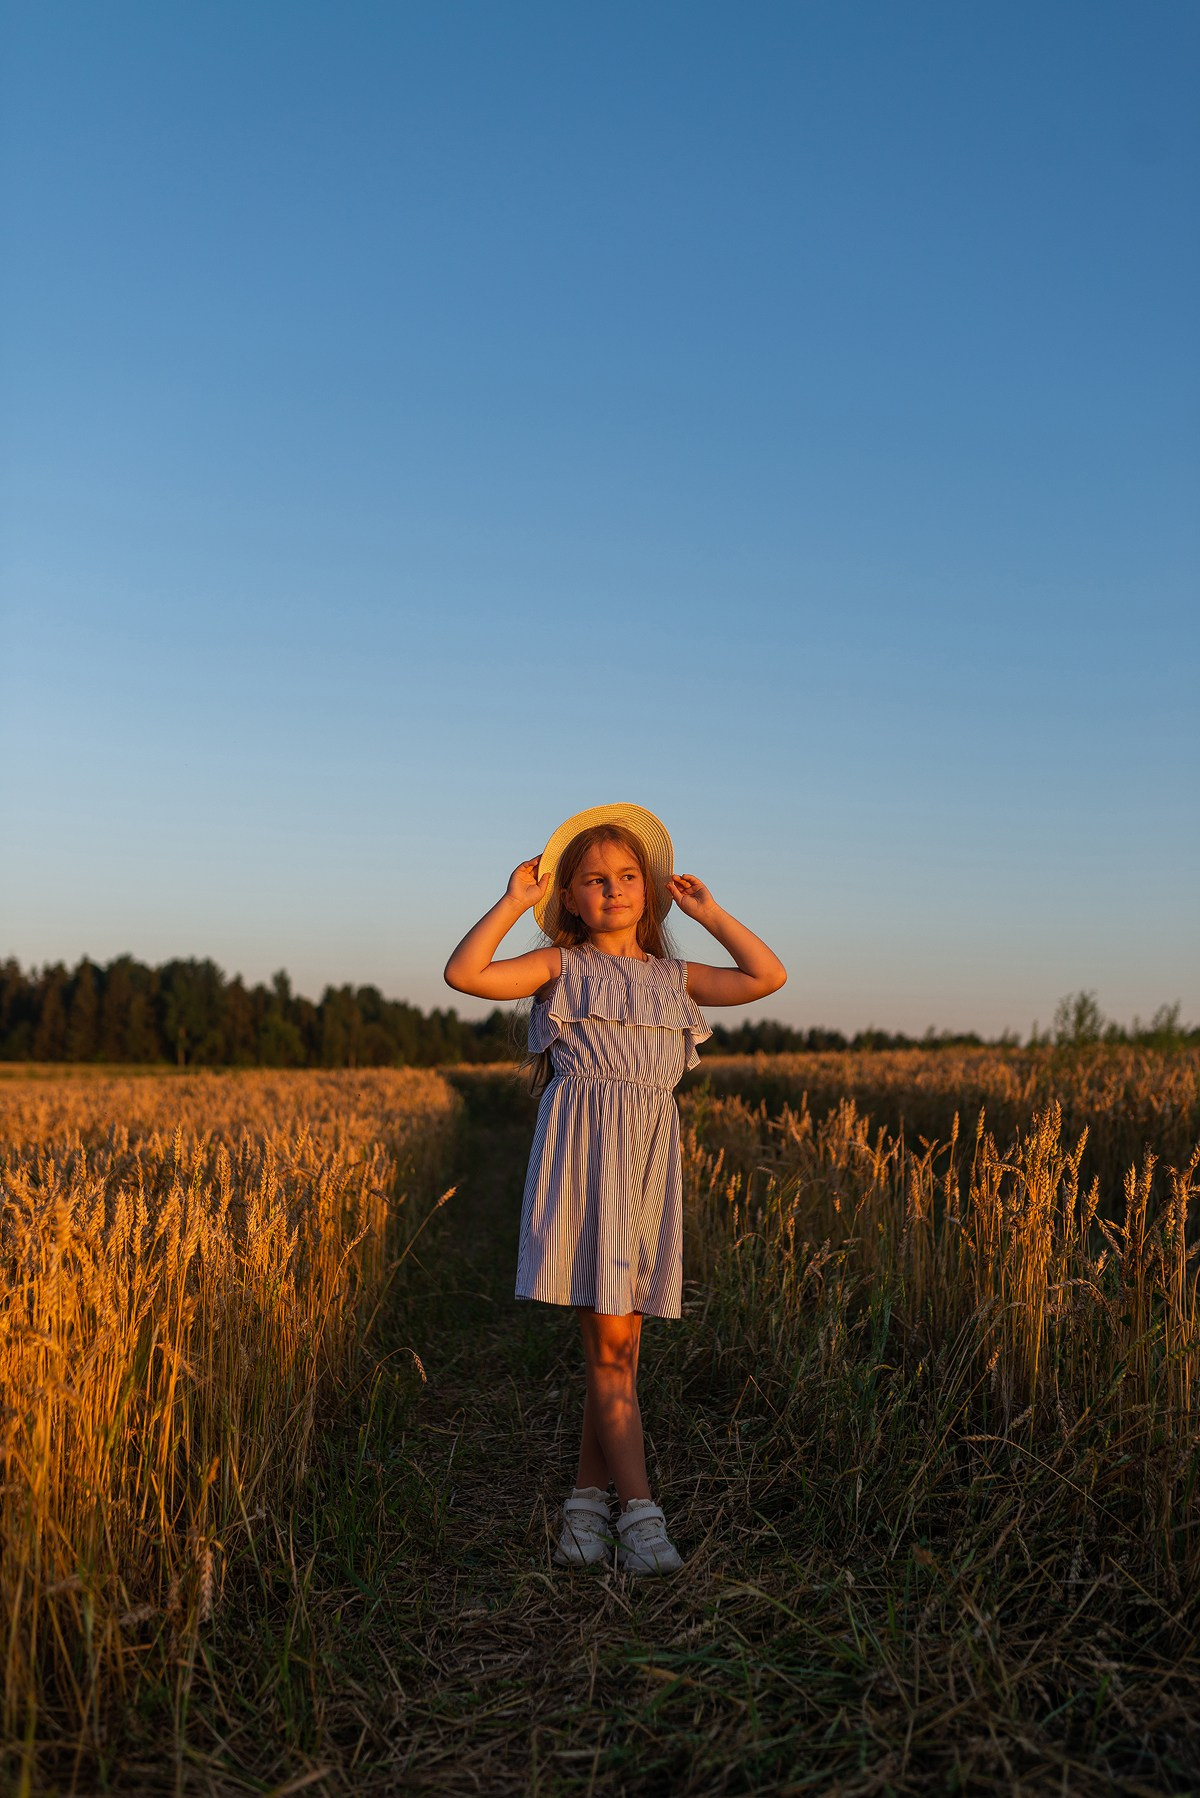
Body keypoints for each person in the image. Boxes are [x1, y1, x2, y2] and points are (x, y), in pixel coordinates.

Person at [444, 802, 786, 1577]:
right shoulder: (562, 969)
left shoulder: (674, 979)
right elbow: (466, 973)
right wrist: (511, 902)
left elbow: (768, 975)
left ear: (650, 889)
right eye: (595, 880)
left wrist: (710, 911)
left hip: (644, 1170)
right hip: (582, 1164)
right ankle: (641, 1514)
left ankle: (583, 1509)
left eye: (629, 877)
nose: (614, 890)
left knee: (620, 1349)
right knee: (609, 1346)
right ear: (567, 897)